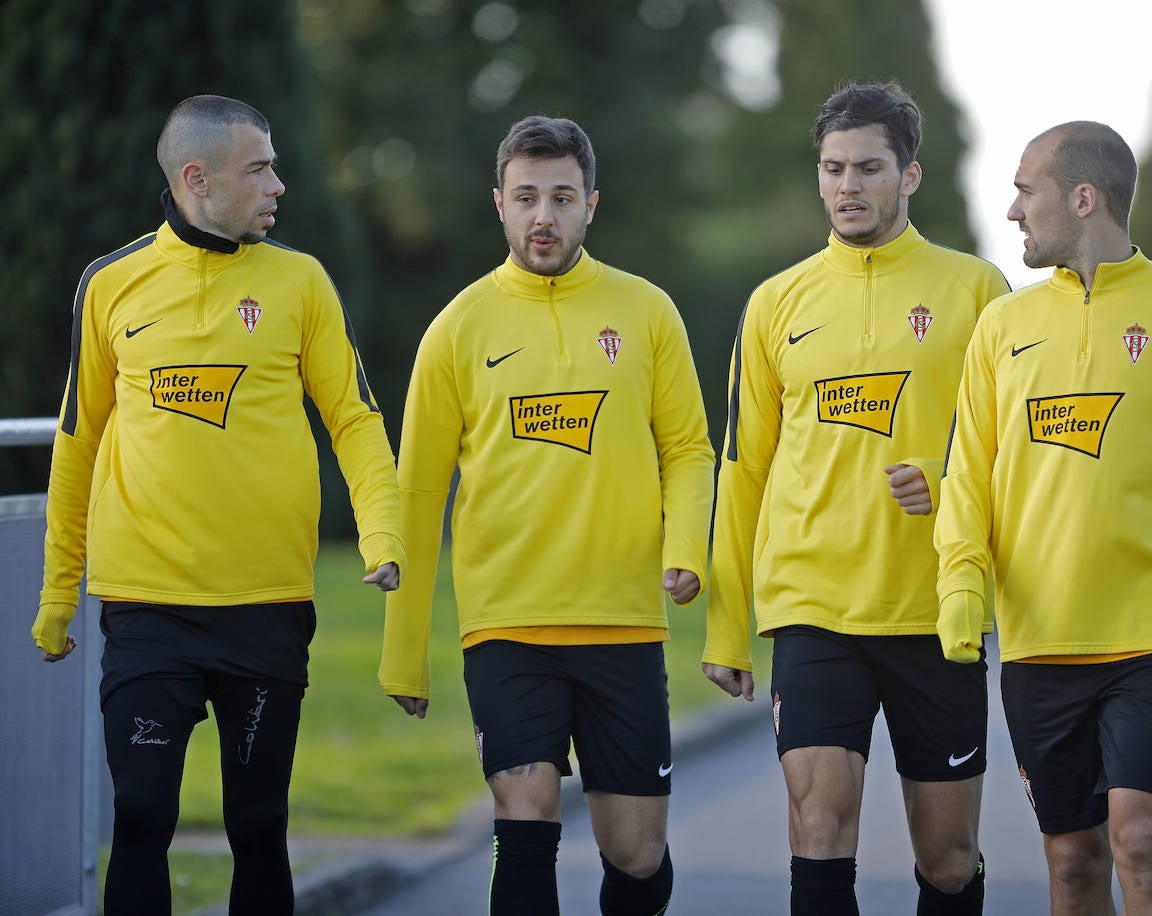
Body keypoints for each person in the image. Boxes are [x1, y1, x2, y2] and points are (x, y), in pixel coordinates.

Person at [30, 95, 405, 916]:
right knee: (139, 816)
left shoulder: (300, 281)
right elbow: (76, 443)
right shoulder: (110, 282)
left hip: (265, 605)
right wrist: (61, 593)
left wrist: (382, 533)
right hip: (146, 607)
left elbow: (355, 419)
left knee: (259, 824)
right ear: (196, 178)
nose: (279, 183)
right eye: (259, 168)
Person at [934, 121, 1152, 915]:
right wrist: (961, 583)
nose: (1013, 211)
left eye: (1027, 190)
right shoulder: (1001, 328)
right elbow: (968, 476)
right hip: (1041, 637)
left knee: (1140, 841)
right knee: (1072, 861)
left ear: (1083, 197)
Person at [379, 115, 715, 916]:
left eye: (562, 198)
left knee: (634, 855)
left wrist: (687, 550)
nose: (543, 217)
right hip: (507, 624)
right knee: (522, 814)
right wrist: (404, 652)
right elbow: (418, 494)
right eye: (526, 197)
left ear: (591, 204)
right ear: (497, 203)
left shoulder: (646, 311)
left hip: (623, 623)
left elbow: (691, 452)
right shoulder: (457, 329)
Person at [703, 80, 1009, 915]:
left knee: (947, 861)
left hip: (933, 611)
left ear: (909, 176)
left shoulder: (978, 292)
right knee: (818, 826)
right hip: (812, 607)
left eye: (868, 168)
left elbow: (1011, 459)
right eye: (833, 168)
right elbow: (743, 470)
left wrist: (945, 491)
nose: (848, 186)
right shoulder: (775, 303)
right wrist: (729, 624)